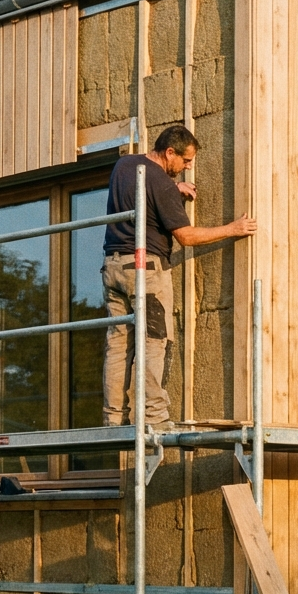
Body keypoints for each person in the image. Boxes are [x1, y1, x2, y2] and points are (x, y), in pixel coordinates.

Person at [102, 125, 257, 427]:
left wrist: (173, 190)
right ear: (169, 152)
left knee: (118, 345)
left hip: (112, 267)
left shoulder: (126, 165)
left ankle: (113, 419)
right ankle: (155, 419)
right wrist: (232, 229)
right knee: (154, 342)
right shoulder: (159, 181)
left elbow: (141, 196)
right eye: (185, 161)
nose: (187, 167)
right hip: (145, 269)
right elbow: (186, 236)